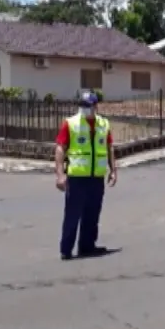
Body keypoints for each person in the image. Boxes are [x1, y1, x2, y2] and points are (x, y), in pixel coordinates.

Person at [54, 90, 117, 260]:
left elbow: (109, 147)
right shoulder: (71, 123)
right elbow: (60, 148)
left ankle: (87, 246)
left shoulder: (103, 124)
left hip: (96, 176)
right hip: (77, 177)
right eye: (82, 106)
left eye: (88, 106)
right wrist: (60, 175)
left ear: (96, 106)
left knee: (92, 214)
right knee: (72, 215)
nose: (85, 109)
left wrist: (113, 170)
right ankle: (66, 249)